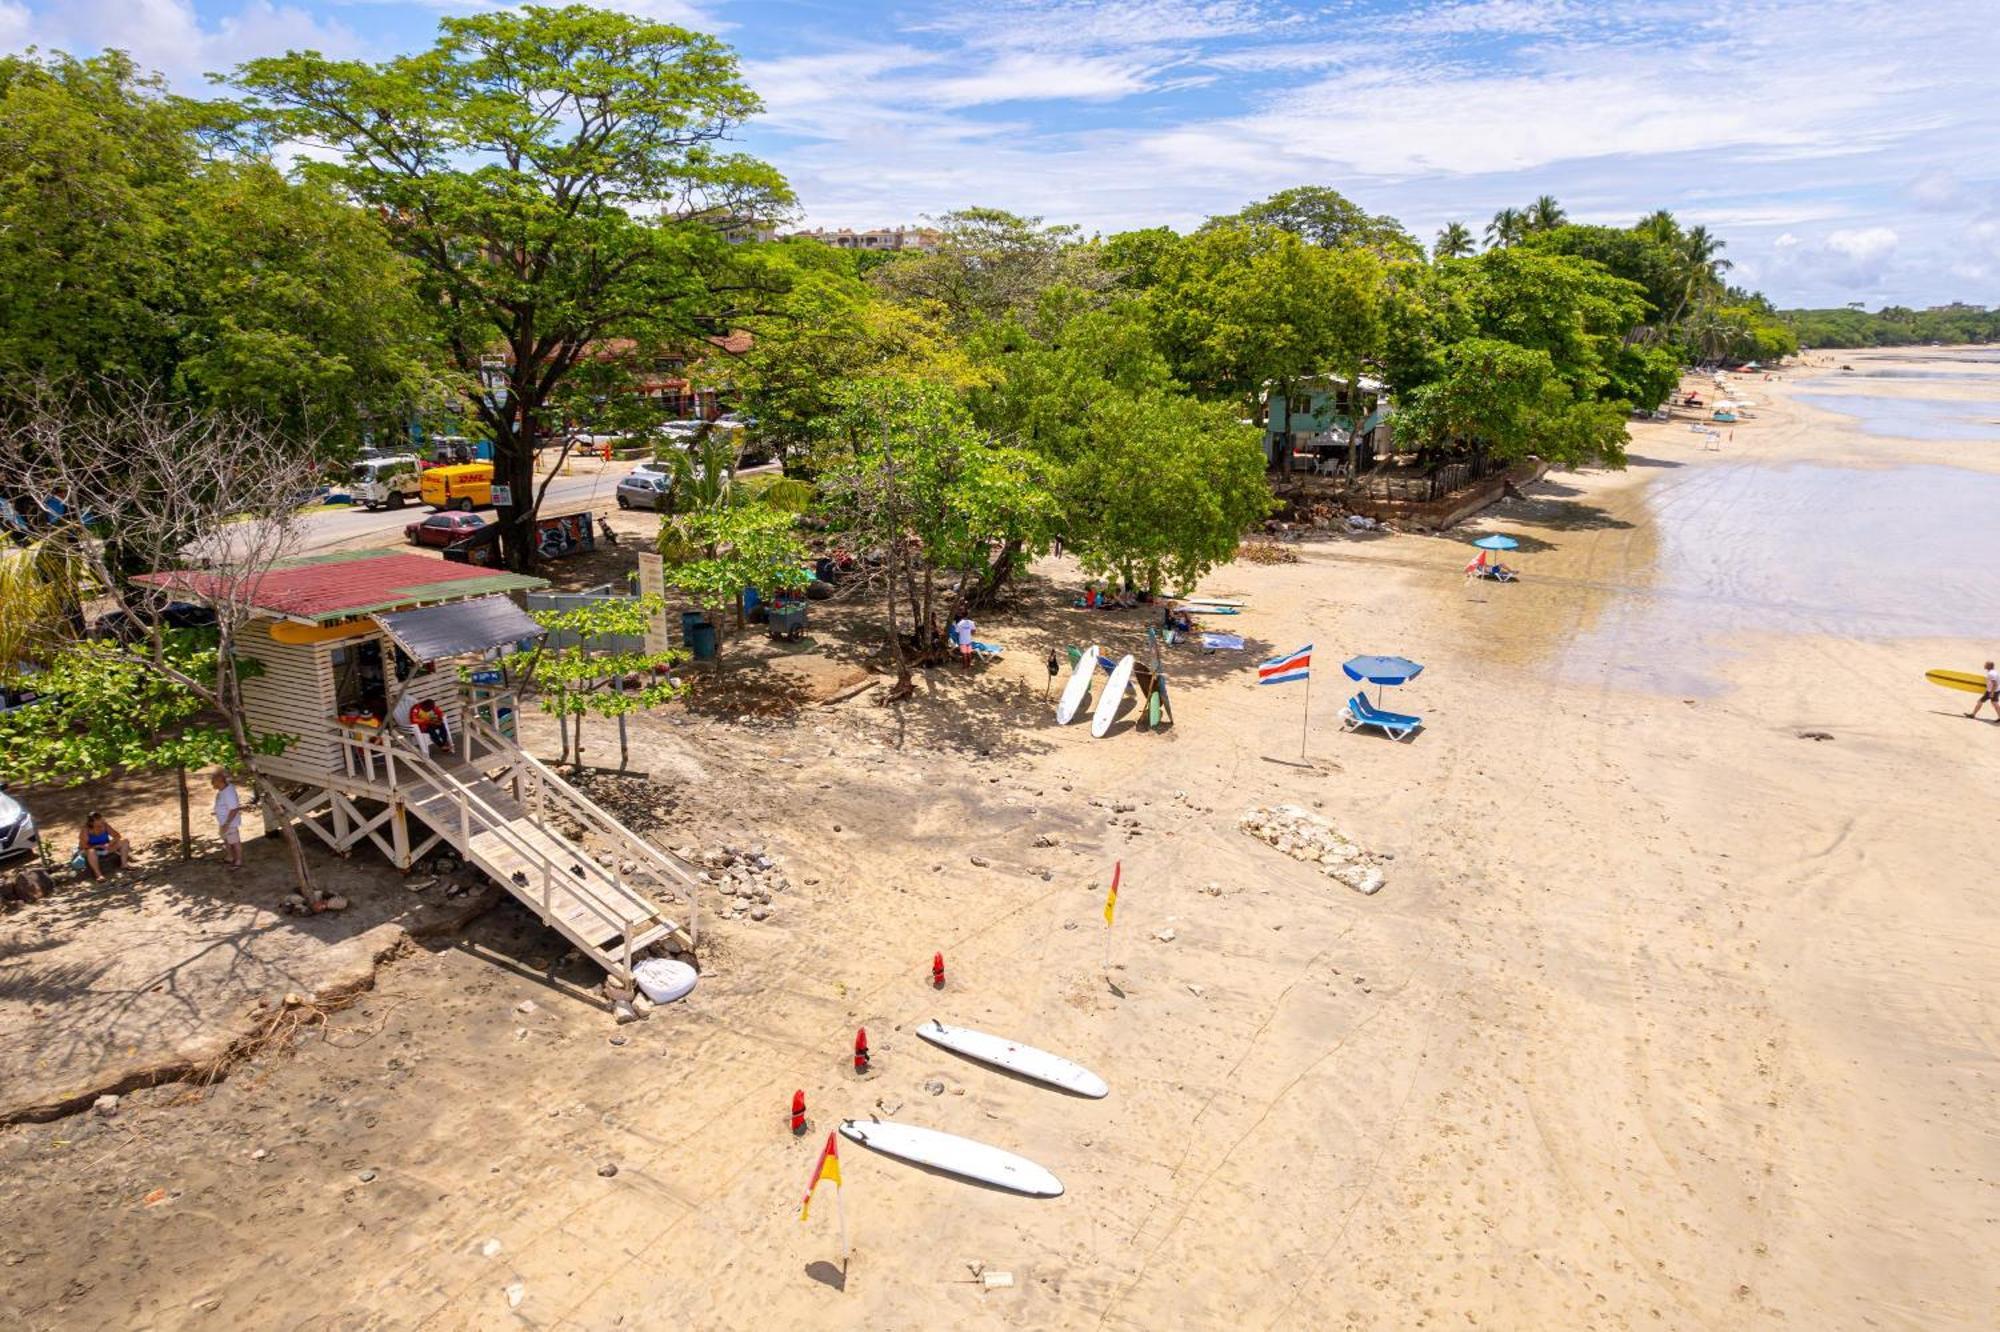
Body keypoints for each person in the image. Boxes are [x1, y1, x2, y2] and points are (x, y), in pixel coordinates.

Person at [75, 812, 129, 881]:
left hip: (105, 848)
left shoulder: (105, 825)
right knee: (91, 851)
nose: (102, 820)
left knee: (125, 841)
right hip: (90, 850)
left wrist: (109, 844)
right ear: (91, 823)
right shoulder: (85, 830)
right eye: (98, 819)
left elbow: (117, 836)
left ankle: (124, 864)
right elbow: (83, 845)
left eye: (101, 818)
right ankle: (98, 875)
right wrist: (97, 846)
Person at [211, 770, 243, 871]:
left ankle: (238, 861)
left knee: (234, 842)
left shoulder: (228, 793)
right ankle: (230, 857)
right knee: (227, 840)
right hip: (223, 822)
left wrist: (227, 824)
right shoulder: (223, 789)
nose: (212, 783)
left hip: (229, 823)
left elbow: (234, 809)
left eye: (213, 781)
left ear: (220, 781)